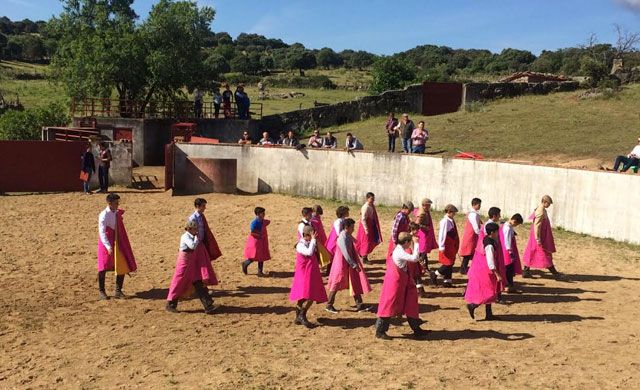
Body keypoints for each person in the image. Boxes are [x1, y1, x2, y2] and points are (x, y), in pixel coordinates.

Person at [376, 232, 429, 340]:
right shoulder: (399, 251)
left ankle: (417, 329)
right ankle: (380, 331)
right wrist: (417, 243)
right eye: (409, 242)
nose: (410, 244)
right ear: (406, 242)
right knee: (389, 305)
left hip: (401, 281)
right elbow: (414, 258)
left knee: (410, 304)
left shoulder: (399, 249)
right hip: (395, 283)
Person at [165, 221, 217, 314]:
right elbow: (192, 246)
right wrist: (197, 238)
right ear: (189, 229)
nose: (196, 231)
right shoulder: (185, 237)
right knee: (179, 283)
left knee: (198, 281)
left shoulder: (191, 236)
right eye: (195, 229)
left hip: (192, 262)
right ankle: (170, 305)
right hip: (184, 263)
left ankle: (208, 305)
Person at [325, 218, 373, 313]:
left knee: (353, 281)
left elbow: (355, 242)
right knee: (336, 283)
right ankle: (329, 304)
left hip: (346, 264)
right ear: (346, 227)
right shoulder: (342, 238)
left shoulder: (347, 235)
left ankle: (359, 304)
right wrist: (354, 265)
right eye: (352, 227)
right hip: (341, 264)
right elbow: (346, 254)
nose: (353, 229)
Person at [97, 193, 136, 300]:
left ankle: (118, 291)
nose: (118, 204)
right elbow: (102, 232)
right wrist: (108, 246)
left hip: (116, 240)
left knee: (121, 263)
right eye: (116, 202)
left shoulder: (116, 213)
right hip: (106, 243)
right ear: (109, 203)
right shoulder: (103, 215)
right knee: (103, 266)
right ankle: (101, 291)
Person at [290, 226, 328, 328]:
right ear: (306, 235)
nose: (313, 237)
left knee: (308, 295)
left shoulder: (309, 242)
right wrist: (314, 241)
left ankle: (299, 316)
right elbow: (309, 252)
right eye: (311, 236)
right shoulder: (300, 245)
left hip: (310, 272)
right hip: (303, 274)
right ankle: (302, 315)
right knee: (308, 295)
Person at [464, 222, 503, 320]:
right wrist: (497, 274)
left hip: (482, 269)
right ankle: (472, 305)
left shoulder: (486, 239)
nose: (498, 234)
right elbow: (490, 262)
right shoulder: (489, 245)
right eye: (497, 232)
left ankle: (489, 314)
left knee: (489, 291)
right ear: (493, 232)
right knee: (489, 292)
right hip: (486, 271)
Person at [523, 195, 565, 280]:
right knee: (545, 254)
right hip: (539, 236)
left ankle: (526, 271)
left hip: (537, 236)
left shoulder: (540, 209)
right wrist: (537, 238)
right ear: (544, 202)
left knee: (532, 252)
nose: (549, 205)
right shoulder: (540, 211)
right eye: (548, 204)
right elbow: (537, 225)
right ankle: (555, 274)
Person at [188, 198, 223, 291]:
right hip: (196, 246)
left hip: (201, 244)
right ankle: (201, 287)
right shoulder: (192, 218)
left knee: (202, 265)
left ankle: (201, 287)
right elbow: (190, 232)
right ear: (197, 206)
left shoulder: (201, 216)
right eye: (203, 206)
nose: (205, 208)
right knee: (201, 266)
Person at [430, 204, 459, 287]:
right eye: (453, 213)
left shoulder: (450, 220)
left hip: (451, 244)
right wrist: (441, 246)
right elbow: (442, 234)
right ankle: (434, 274)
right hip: (447, 245)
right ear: (449, 212)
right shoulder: (445, 221)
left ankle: (447, 281)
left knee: (451, 262)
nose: (454, 214)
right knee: (448, 263)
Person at [414, 198, 437, 296]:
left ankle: (424, 267)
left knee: (423, 252)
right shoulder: (422, 213)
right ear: (424, 205)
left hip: (424, 235)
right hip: (423, 235)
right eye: (428, 205)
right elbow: (417, 224)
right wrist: (425, 228)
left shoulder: (423, 211)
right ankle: (423, 267)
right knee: (422, 252)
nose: (429, 206)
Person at [242, 207, 271, 276]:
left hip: (261, 241)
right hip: (256, 242)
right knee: (254, 256)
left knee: (262, 256)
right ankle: (245, 263)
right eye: (262, 213)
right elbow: (252, 233)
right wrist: (260, 236)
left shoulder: (261, 220)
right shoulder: (254, 223)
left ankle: (260, 272)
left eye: (264, 213)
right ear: (258, 214)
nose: (264, 214)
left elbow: (267, 222)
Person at [356, 192, 383, 265]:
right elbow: (363, 219)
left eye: (373, 198)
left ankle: (363, 254)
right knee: (366, 242)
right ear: (367, 198)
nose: (373, 200)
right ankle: (364, 258)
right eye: (371, 198)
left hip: (369, 226)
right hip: (366, 227)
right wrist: (366, 229)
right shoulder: (366, 207)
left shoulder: (371, 206)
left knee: (368, 241)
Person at [500, 213, 524, 293]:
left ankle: (508, 285)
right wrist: (510, 252)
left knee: (508, 270)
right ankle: (508, 286)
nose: (516, 225)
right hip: (507, 251)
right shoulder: (507, 228)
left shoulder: (506, 226)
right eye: (516, 224)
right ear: (514, 221)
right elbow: (507, 241)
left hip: (505, 250)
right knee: (509, 270)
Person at [459, 198, 482, 275]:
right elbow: (475, 226)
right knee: (468, 253)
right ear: (474, 205)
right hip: (471, 235)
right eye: (479, 205)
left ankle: (464, 268)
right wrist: (479, 234)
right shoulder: (473, 214)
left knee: (470, 252)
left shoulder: (473, 214)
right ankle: (463, 269)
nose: (480, 206)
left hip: (471, 235)